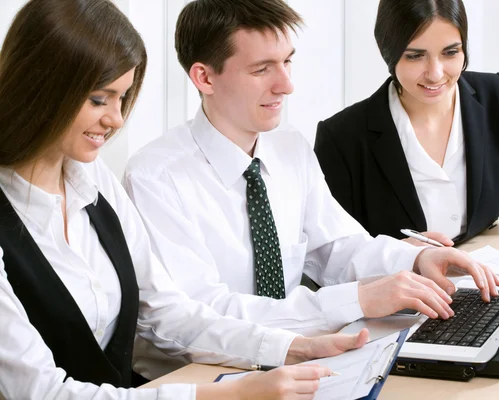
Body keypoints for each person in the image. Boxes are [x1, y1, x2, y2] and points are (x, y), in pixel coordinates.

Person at [0, 1, 371, 398]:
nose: (116, 120)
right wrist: (227, 395)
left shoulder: (93, 180)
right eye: (98, 100)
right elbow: (40, 392)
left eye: (122, 99)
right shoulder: (147, 174)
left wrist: (291, 347)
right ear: (42, 85)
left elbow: (164, 311)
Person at [124, 0, 499, 378]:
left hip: (295, 358)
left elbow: (336, 246)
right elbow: (197, 316)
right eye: (261, 69)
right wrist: (355, 300)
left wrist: (414, 262)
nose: (286, 85)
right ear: (204, 78)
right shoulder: (155, 177)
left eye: (287, 62)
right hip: (202, 375)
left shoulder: (289, 146)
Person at [314, 0, 499, 250]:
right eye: (415, 55)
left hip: (487, 281)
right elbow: (333, 256)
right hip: (401, 297)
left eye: (450, 52)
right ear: (388, 52)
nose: (436, 73)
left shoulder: (497, 98)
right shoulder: (342, 138)